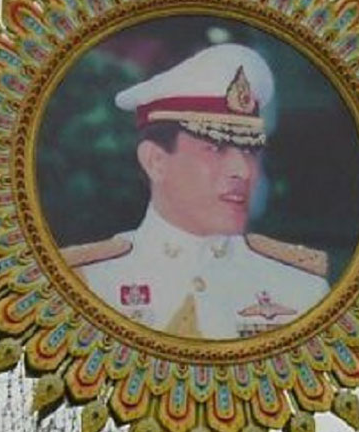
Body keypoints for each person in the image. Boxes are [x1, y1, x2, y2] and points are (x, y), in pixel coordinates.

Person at [61, 43, 329, 339]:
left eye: (250, 150)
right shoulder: (88, 284)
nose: (243, 170)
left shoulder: (300, 288)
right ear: (155, 161)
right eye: (215, 148)